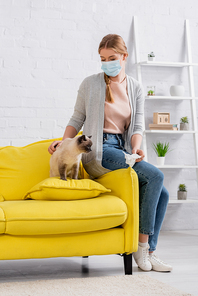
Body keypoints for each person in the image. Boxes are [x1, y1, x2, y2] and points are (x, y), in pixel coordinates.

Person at [48, 34, 172, 272]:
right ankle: (141, 249)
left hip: (122, 149)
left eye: (112, 58)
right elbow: (77, 118)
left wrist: (136, 147)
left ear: (124, 57)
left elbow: (137, 127)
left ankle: (151, 251)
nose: (107, 63)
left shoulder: (135, 87)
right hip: (98, 150)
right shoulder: (90, 83)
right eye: (103, 59)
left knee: (163, 193)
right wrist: (64, 143)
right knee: (155, 176)